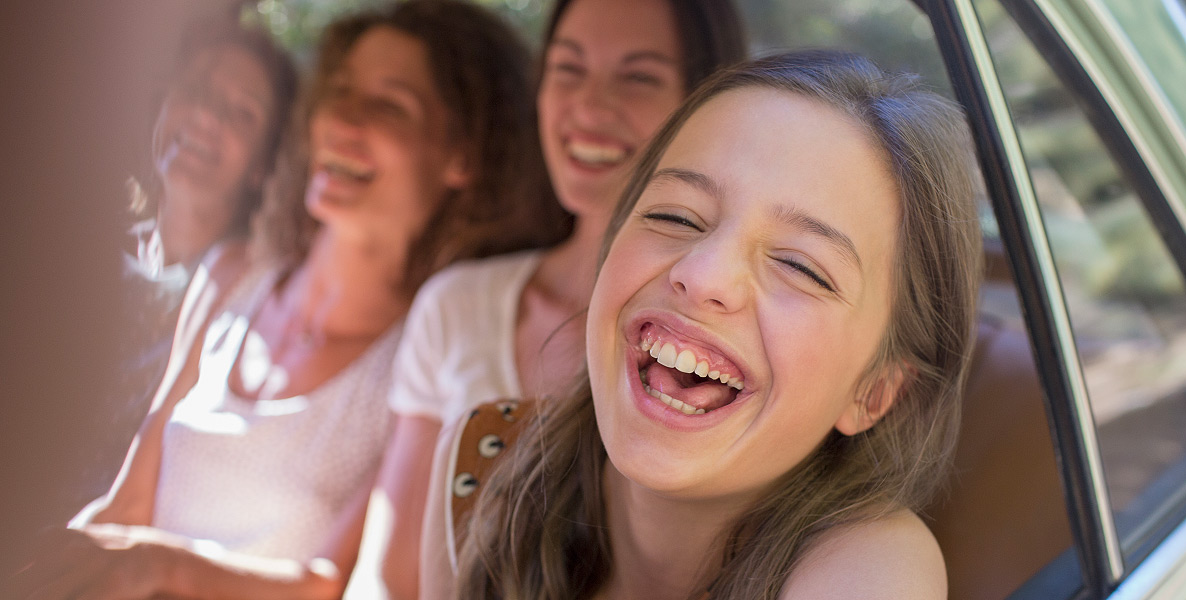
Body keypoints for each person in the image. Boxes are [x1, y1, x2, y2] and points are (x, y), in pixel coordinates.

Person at [10, 2, 560, 598]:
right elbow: (125, 505)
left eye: (388, 105)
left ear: (464, 157)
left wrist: (159, 569)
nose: (342, 119)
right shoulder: (230, 274)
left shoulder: (424, 356)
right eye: (340, 90)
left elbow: (330, 584)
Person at [430, 50, 985, 599]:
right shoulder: (484, 463)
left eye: (799, 266)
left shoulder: (875, 567)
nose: (703, 275)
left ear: (876, 390)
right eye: (675, 216)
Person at [350, 1, 746, 596]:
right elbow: (385, 578)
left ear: (705, 107)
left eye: (638, 77)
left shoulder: (716, 346)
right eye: (566, 68)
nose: (589, 106)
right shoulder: (456, 305)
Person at [120, 20, 296, 430]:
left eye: (241, 113)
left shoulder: (249, 303)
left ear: (262, 166)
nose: (205, 114)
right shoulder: (79, 255)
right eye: (195, 89)